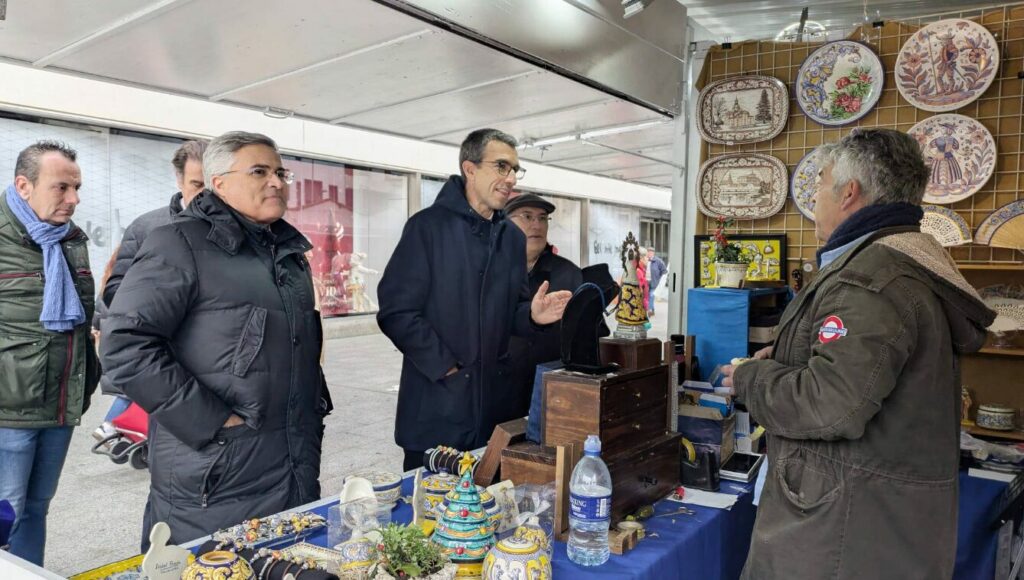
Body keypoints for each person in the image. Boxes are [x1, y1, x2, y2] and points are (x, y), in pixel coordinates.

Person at [720, 129, 995, 579]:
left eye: (820, 184)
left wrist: (751, 377)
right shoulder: (897, 264)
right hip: (878, 523)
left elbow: (830, 405)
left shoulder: (869, 281)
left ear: (849, 192)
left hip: (842, 533)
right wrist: (787, 356)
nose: (813, 201)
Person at [101, 131, 332, 546]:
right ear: (219, 183)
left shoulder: (289, 255)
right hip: (216, 473)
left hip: (291, 463)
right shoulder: (179, 242)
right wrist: (213, 422)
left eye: (281, 171)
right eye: (259, 171)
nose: (277, 181)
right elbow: (125, 346)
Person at [377, 129, 571, 471]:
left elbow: (513, 309)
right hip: (435, 411)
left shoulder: (511, 238)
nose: (510, 178)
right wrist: (448, 369)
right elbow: (396, 311)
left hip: (493, 414)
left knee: (489, 514)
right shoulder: (427, 228)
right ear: (469, 168)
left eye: (514, 169)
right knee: (431, 518)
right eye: (501, 166)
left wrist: (532, 316)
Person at [0, 141, 100, 565]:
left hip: (60, 406)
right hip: (8, 413)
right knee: (5, 515)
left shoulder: (69, 240)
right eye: (61, 188)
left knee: (37, 509)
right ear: (24, 185)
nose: (73, 199)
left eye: (76, 187)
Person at [93, 140, 206, 444]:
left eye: (212, 184)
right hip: (163, 356)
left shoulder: (237, 228)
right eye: (196, 184)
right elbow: (114, 289)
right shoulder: (148, 227)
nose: (205, 194)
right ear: (179, 180)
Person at [503, 193, 583, 419]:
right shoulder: (490, 272)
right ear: (505, 224)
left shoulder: (569, 274)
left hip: (552, 394)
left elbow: (589, 336)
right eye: (527, 216)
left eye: (543, 218)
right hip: (497, 391)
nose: (536, 225)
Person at [645, 247, 666, 316]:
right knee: (647, 296)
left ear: (653, 253)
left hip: (654, 282)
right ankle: (652, 310)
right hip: (646, 282)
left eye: (651, 252)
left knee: (651, 295)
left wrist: (659, 279)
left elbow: (664, 271)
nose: (649, 253)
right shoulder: (645, 260)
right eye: (648, 252)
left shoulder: (658, 261)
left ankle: (650, 310)